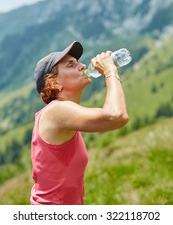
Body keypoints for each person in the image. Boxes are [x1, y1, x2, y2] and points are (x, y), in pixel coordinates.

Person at [30, 40, 129, 205]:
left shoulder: (65, 113)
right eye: (71, 65)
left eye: (78, 62)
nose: (83, 66)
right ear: (53, 82)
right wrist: (110, 70)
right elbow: (116, 116)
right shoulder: (55, 111)